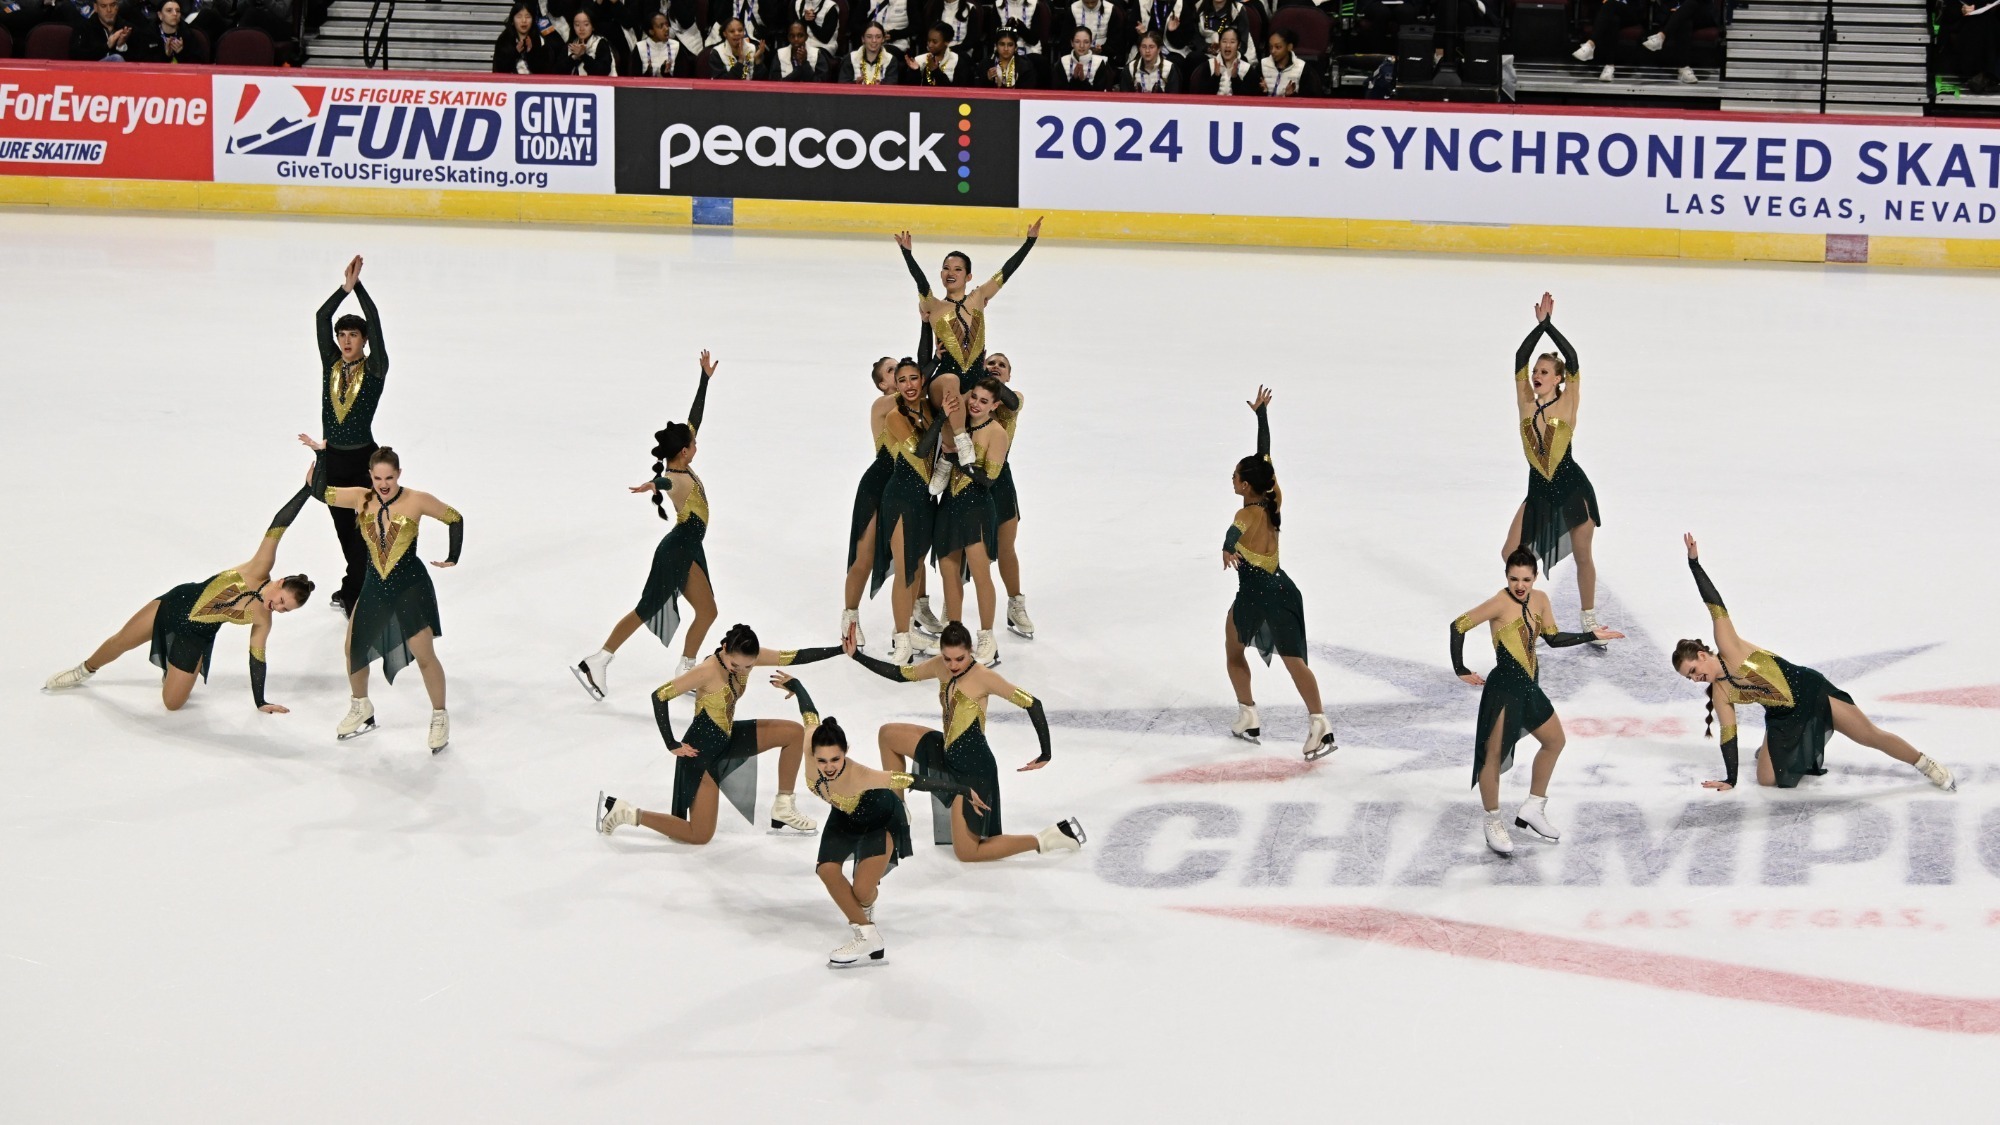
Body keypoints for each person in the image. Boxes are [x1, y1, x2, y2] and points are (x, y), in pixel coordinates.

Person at [1673, 535, 1956, 793]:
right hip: (1782, 718)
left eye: (1694, 671)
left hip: (1810, 693)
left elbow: (1715, 605)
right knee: (1767, 780)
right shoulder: (1720, 693)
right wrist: (1730, 779)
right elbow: (1728, 734)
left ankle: (1925, 764)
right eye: (1690, 678)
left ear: (1701, 655)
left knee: (1869, 736)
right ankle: (1772, 749)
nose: (1695, 678)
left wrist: (1694, 565)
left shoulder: (1729, 647)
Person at [44, 486, 317, 713]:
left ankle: (180, 666)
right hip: (178, 604)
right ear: (280, 583)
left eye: (285, 610)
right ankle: (84, 670)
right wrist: (307, 489)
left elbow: (257, 660)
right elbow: (279, 524)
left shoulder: (263, 620)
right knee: (121, 641)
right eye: (282, 600)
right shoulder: (259, 568)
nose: (278, 608)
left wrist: (261, 702)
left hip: (194, 637)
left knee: (172, 704)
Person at [846, 622, 1085, 860]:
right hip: (946, 751)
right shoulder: (941, 666)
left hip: (974, 771)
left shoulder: (984, 676)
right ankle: (897, 815)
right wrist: (856, 655)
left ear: (970, 650)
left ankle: (1049, 838)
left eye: (959, 659)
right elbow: (900, 675)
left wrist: (1046, 753)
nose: (952, 665)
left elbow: (1032, 703)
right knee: (888, 735)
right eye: (947, 658)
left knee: (967, 852)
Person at [1449, 545, 1624, 856]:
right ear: (1506, 576)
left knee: (1555, 741)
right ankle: (1492, 820)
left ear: (1535, 577)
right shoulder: (1498, 603)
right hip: (1503, 689)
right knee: (1492, 756)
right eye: (1514, 578)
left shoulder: (1541, 600)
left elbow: (1554, 639)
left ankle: (1533, 807)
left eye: (1526, 579)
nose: (1520, 585)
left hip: (1529, 687)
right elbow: (1458, 625)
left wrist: (1591, 635)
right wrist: (1460, 669)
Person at [596, 625, 844, 842]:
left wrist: (841, 649)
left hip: (728, 737)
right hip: (700, 753)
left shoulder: (746, 658)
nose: (742, 671)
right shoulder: (707, 670)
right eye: (736, 665)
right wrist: (671, 743)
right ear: (724, 648)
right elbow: (660, 695)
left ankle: (783, 806)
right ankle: (625, 812)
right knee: (700, 835)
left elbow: (792, 657)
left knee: (792, 733)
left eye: (749, 666)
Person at [575, 352, 723, 700]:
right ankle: (598, 660)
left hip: (688, 547)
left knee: (707, 610)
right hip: (677, 550)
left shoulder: (680, 463)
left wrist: (704, 380)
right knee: (647, 608)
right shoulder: (677, 477)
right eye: (694, 444)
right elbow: (668, 484)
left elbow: (693, 419)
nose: (696, 442)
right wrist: (652, 485)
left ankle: (686, 669)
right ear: (685, 453)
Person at [799, 710, 987, 966]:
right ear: (813, 755)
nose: (829, 767)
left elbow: (913, 780)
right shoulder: (811, 751)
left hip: (881, 818)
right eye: (822, 761)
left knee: (862, 890)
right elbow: (810, 717)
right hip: (844, 815)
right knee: (826, 870)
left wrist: (963, 790)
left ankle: (866, 905)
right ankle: (867, 935)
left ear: (846, 752)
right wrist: (794, 684)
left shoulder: (862, 775)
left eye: (836, 758)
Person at [306, 446, 463, 752]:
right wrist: (320, 460)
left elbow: (454, 518)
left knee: (424, 654)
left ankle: (440, 716)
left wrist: (452, 556)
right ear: (370, 476)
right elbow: (322, 493)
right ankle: (361, 707)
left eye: (389, 477)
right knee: (353, 649)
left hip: (409, 587)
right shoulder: (360, 497)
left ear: (399, 474)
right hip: (374, 586)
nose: (383, 483)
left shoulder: (416, 500)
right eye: (378, 477)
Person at [1221, 388, 1333, 760]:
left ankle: (1248, 714)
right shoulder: (1273, 498)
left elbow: (1233, 534)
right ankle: (1319, 722)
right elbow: (1265, 456)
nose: (1233, 480)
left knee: (1234, 650)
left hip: (1255, 596)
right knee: (1293, 660)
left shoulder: (1245, 513)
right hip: (1284, 589)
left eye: (1236, 477)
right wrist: (1262, 417)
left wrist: (1226, 547)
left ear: (1247, 484)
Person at [893, 219, 1040, 474]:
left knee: (1012, 404)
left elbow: (1005, 272)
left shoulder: (978, 298)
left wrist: (1029, 242)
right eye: (946, 268)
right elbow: (920, 284)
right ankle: (959, 444)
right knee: (950, 380)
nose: (950, 272)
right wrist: (908, 255)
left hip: (975, 376)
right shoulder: (934, 307)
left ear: (968, 276)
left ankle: (953, 457)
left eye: (957, 269)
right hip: (947, 379)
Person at [1504, 292, 1609, 642]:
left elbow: (1574, 359)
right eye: (1535, 371)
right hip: (1539, 490)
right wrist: (1539, 329)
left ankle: (1589, 617)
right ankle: (1525, 610)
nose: (1536, 374)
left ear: (1557, 379)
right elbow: (1519, 357)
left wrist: (1551, 327)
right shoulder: (1524, 402)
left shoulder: (1568, 402)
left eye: (1544, 371)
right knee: (1511, 553)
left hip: (1571, 489)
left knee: (1583, 557)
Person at [301, 256, 389, 620]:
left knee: (364, 531)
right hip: (335, 459)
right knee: (344, 532)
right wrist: (344, 290)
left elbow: (378, 326)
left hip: (363, 462)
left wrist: (361, 290)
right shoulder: (331, 363)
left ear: (364, 340)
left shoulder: (376, 369)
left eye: (353, 335)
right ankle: (355, 586)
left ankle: (357, 591)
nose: (346, 340)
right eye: (342, 335)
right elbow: (321, 317)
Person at [863, 360, 946, 665]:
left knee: (916, 566)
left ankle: (910, 630)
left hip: (925, 498)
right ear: (895, 387)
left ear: (922, 381)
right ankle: (901, 639)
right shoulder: (895, 416)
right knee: (904, 570)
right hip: (900, 498)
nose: (910, 384)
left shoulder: (928, 409)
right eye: (903, 380)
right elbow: (921, 449)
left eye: (915, 378)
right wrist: (941, 419)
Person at [930, 379, 1011, 665]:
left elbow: (989, 479)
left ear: (995, 405)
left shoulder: (996, 432)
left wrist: (957, 461)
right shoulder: (957, 423)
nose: (975, 403)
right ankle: (954, 632)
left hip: (976, 507)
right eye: (974, 397)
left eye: (984, 401)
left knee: (979, 574)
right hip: (950, 505)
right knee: (949, 572)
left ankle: (987, 636)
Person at [981, 353, 1034, 639]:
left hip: (1000, 480)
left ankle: (1015, 604)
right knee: (965, 551)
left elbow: (1011, 403)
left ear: (1009, 376)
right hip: (969, 479)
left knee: (1006, 547)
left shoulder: (1014, 399)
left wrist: (984, 373)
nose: (996, 367)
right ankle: (951, 610)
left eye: (1002, 365)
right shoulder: (975, 400)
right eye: (991, 363)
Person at [1641, 0, 1713, 84]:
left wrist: (1681, 10)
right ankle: (1684, 68)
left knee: (1691, 3)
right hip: (1674, 14)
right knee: (1685, 22)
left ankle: (1661, 36)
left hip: (1700, 14)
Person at [1571, 0, 1643, 80]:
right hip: (1605, 12)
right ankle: (1609, 66)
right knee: (1613, 20)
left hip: (1627, 12)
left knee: (1611, 4)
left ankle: (1591, 44)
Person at [137, 0, 211, 63]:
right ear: (160, 15)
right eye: (169, 11)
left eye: (178, 11)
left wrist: (181, 53)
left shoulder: (188, 33)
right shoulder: (148, 34)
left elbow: (198, 64)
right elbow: (143, 64)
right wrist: (165, 56)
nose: (175, 14)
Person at [1191, 24, 1256, 93]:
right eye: (1224, 41)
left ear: (1238, 45)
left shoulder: (1246, 69)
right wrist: (1215, 77)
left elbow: (1250, 99)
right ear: (1219, 44)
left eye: (1232, 42)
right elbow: (1202, 96)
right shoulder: (1209, 66)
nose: (1227, 45)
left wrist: (1235, 79)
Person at [1059, 0, 1128, 61]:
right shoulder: (1073, 9)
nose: (1090, 5)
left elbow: (1116, 39)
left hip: (1104, 55)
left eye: (1093, 2)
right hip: (1078, 54)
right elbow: (1066, 38)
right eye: (1086, 2)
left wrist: (1103, 49)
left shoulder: (1111, 9)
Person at [1051, 25, 1116, 89]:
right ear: (1072, 43)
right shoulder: (1063, 61)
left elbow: (1099, 94)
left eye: (1086, 42)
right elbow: (1058, 92)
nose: (1082, 46)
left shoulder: (1099, 63)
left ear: (1090, 43)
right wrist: (1074, 79)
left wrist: (1083, 80)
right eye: (1077, 41)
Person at [1258, 27, 1317, 96]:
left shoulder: (1302, 68)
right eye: (1270, 47)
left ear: (1289, 47)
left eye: (1278, 47)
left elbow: (1309, 98)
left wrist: (1292, 95)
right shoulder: (1263, 65)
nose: (1272, 51)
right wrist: (1262, 92)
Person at [632, 10, 698, 72]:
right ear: (651, 31)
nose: (666, 29)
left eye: (667, 24)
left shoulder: (676, 46)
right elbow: (633, 79)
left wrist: (668, 76)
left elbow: (682, 77)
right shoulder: (639, 48)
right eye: (661, 26)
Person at [766, 17, 834, 77]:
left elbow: (821, 83)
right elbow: (775, 83)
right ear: (788, 38)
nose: (796, 39)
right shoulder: (780, 55)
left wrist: (805, 63)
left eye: (800, 35)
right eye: (792, 36)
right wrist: (797, 71)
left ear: (806, 37)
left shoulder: (817, 55)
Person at [839, 20, 904, 81]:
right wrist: (856, 84)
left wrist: (878, 87)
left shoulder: (891, 60)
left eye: (878, 37)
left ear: (883, 39)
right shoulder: (850, 58)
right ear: (863, 39)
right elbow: (842, 86)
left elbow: (891, 87)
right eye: (869, 37)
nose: (874, 40)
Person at [979, 27, 1046, 85]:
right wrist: (987, 80)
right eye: (1002, 44)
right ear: (996, 46)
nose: (1006, 49)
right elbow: (976, 92)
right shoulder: (985, 65)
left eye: (1010, 45)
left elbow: (1028, 94)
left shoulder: (1025, 67)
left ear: (1016, 47)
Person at [563, 9, 622, 74]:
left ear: (593, 26)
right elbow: (557, 72)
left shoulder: (601, 43)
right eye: (577, 25)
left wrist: (583, 56)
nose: (581, 29)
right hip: (573, 84)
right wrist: (573, 58)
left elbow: (603, 71)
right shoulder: (571, 44)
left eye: (586, 24)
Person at [71, 0, 135, 60]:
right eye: (103, 6)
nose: (109, 10)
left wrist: (120, 46)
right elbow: (76, 58)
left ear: (117, 6)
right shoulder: (83, 28)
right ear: (95, 7)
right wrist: (107, 46)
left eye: (112, 5)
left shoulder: (128, 29)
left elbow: (138, 61)